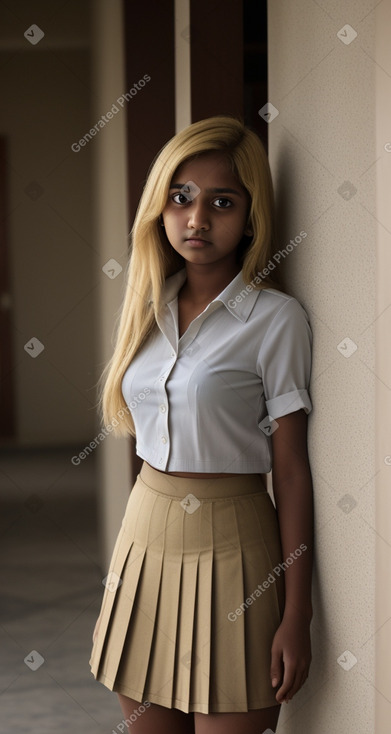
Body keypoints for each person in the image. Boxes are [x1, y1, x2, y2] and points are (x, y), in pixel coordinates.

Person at [89, 115, 314, 734]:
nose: (197, 219)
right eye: (181, 198)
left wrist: (299, 614)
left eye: (222, 202)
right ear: (160, 207)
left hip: (236, 548)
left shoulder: (276, 320)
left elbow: (291, 471)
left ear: (250, 216)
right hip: (143, 536)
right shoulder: (146, 304)